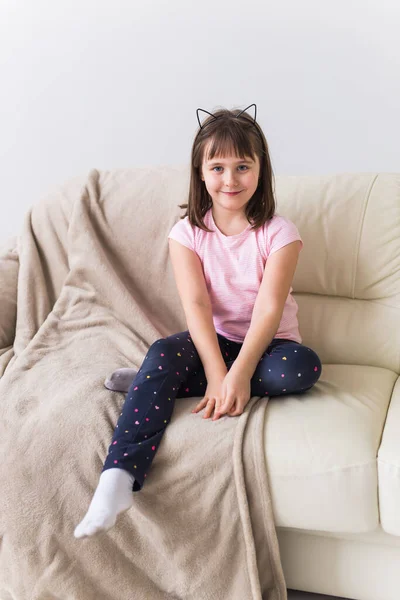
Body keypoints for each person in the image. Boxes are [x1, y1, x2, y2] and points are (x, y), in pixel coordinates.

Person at [74, 103, 322, 539]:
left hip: (269, 346)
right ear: (201, 171)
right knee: (164, 351)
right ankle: (118, 478)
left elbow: (268, 310)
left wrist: (238, 375)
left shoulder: (281, 233)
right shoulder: (186, 234)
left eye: (243, 166)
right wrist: (214, 371)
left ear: (261, 170)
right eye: (219, 167)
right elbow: (197, 308)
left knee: (303, 369)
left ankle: (155, 379)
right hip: (215, 340)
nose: (231, 180)